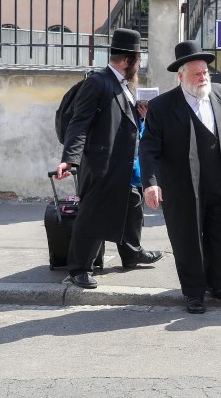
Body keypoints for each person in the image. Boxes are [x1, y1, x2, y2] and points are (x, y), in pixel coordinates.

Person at [139, 41, 221, 314]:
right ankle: (194, 292)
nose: (203, 77)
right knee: (188, 240)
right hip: (184, 187)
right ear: (181, 76)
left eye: (205, 72)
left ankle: (217, 282)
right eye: (196, 73)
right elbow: (149, 149)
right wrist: (151, 184)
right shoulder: (162, 106)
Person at [55, 28, 163, 289]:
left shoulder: (121, 85)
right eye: (138, 60)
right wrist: (70, 159)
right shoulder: (98, 82)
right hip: (101, 164)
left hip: (122, 163)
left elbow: (120, 121)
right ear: (127, 60)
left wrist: (141, 115)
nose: (139, 65)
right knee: (92, 215)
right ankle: (79, 268)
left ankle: (131, 253)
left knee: (132, 204)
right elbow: (79, 123)